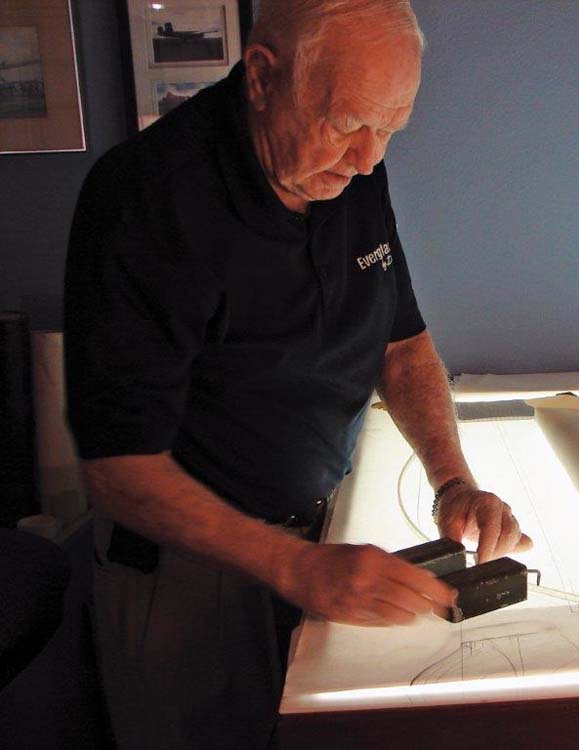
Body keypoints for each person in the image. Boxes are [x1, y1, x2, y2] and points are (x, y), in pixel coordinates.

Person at [63, 2, 531, 747]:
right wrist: (295, 566)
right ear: (261, 77)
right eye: (348, 124)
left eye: (391, 128)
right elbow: (119, 468)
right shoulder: (144, 201)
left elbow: (401, 343)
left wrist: (453, 481)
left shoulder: (348, 166)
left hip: (320, 536)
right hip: (187, 570)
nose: (369, 159)